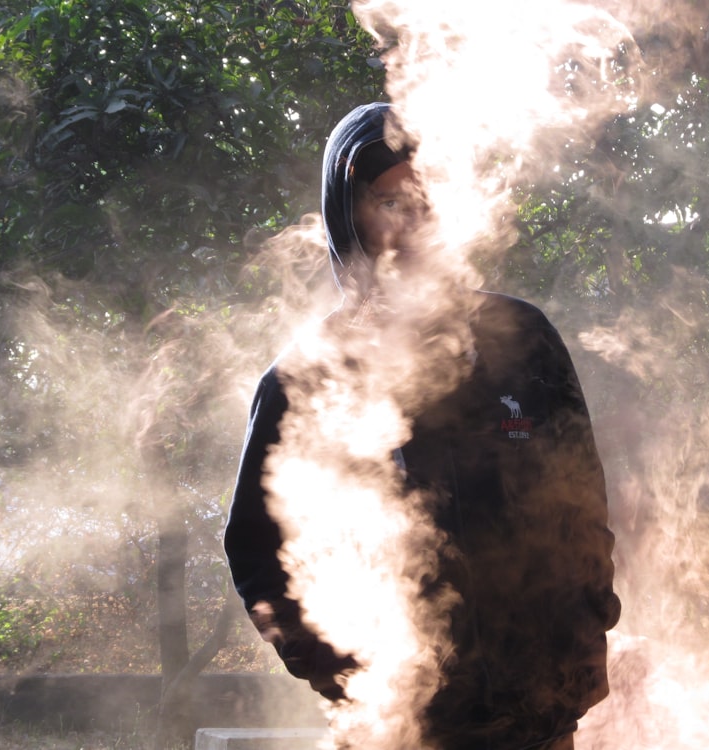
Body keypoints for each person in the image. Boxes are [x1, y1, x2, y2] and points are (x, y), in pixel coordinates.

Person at [224, 102, 621, 750]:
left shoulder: (524, 342)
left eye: (426, 199)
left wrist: (579, 644)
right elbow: (257, 553)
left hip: (538, 725)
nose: (413, 223)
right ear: (346, 216)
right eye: (388, 202)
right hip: (397, 729)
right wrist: (351, 678)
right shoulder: (306, 381)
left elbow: (583, 510)